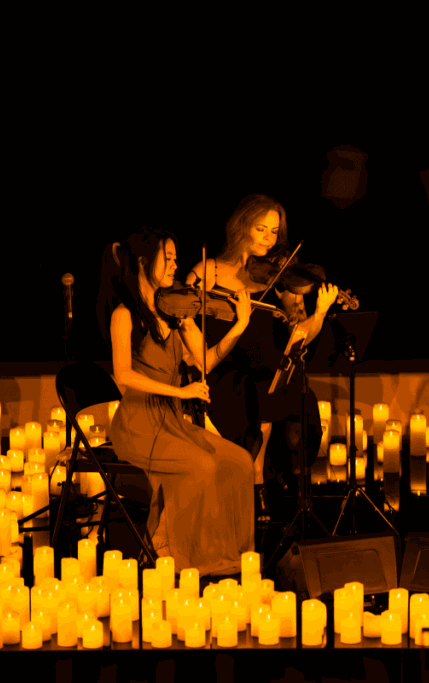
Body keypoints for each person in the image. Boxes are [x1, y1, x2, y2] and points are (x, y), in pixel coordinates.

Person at [102, 227, 256, 579]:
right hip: (139, 425)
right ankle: (178, 554)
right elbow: (123, 375)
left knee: (240, 462)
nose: (175, 264)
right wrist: (182, 393)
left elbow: (206, 360)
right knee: (201, 465)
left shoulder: (176, 312)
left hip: (170, 422)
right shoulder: (125, 315)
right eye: (167, 258)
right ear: (143, 262)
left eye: (175, 257)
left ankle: (231, 554)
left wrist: (239, 326)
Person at [184, 194, 338, 521]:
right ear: (242, 227)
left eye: (274, 231)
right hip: (223, 370)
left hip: (263, 369)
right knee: (253, 392)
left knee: (298, 394)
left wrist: (321, 312)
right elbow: (185, 323)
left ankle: (288, 483)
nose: (269, 239)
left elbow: (299, 335)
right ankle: (255, 480)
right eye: (261, 229)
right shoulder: (208, 270)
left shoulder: (276, 279)